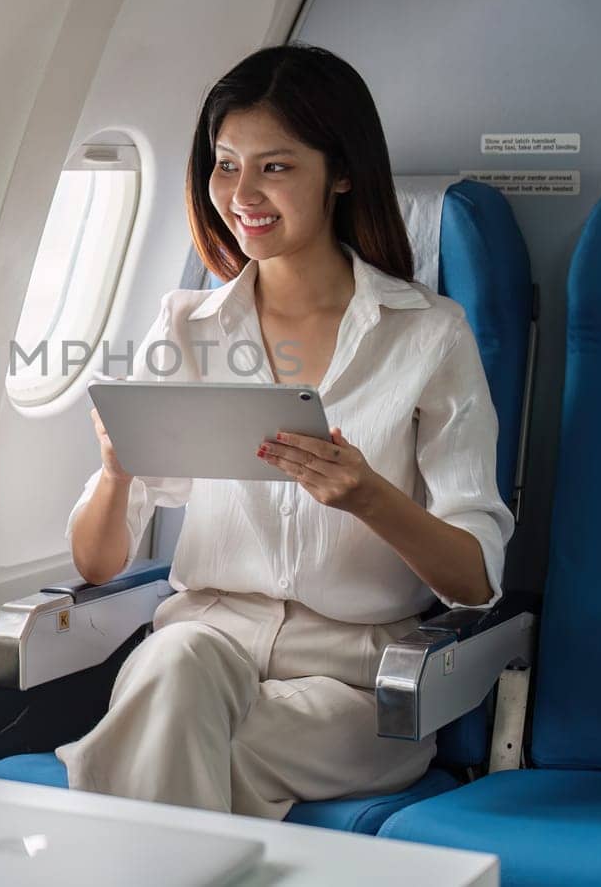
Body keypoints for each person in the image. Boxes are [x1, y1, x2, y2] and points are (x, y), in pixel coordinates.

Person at [55, 43, 515, 820]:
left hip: (352, 689)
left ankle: (104, 783)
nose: (242, 194)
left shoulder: (429, 336)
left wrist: (370, 497)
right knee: (177, 670)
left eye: (275, 167)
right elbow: (98, 562)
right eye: (226, 165)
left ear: (340, 172)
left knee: (164, 741)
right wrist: (115, 471)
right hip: (202, 650)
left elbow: (475, 580)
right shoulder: (186, 327)